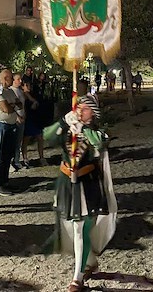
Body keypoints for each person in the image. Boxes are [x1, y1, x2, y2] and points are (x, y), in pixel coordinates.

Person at [43, 95, 117, 292]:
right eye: (78, 107)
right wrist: (62, 122)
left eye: (84, 108)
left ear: (93, 112)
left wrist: (82, 128)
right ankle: (90, 261)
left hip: (88, 184)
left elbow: (99, 143)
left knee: (79, 229)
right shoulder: (68, 127)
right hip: (67, 182)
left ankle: (77, 278)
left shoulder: (97, 130)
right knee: (74, 228)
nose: (79, 111)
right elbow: (48, 136)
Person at [0, 69, 22, 195]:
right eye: (10, 78)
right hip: (2, 126)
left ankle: (6, 182)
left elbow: (20, 105)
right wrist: (12, 105)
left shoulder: (10, 91)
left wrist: (12, 105)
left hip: (11, 125)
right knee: (1, 156)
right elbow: (6, 109)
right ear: (5, 78)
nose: (12, 80)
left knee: (8, 155)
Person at [21, 79, 48, 167]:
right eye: (26, 85)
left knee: (40, 137)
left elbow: (36, 102)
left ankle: (42, 157)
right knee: (26, 139)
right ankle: (25, 158)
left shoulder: (33, 94)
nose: (29, 87)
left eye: (29, 85)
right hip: (28, 118)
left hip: (35, 118)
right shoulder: (22, 94)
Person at [10, 72, 25, 171]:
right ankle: (12, 161)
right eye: (18, 79)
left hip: (22, 117)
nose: (20, 81)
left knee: (19, 141)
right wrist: (17, 116)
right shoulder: (11, 91)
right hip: (16, 119)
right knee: (13, 141)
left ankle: (17, 160)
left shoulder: (20, 91)